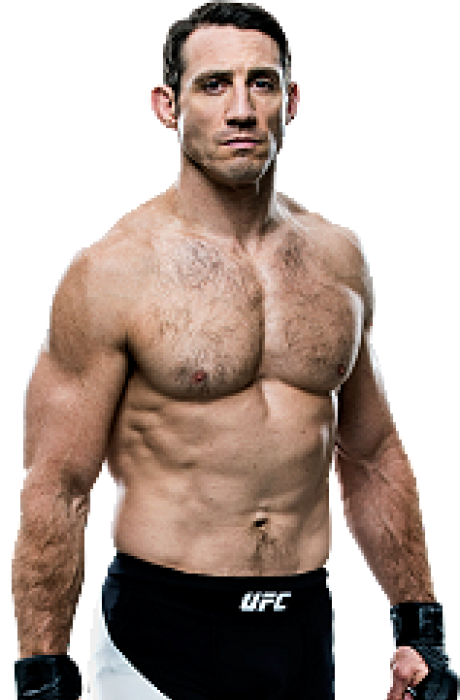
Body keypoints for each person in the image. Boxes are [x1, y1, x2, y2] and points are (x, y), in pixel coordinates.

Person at [12, 2, 458, 700]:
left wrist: (419, 630)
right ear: (167, 107)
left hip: (303, 631)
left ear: (291, 102)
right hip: (161, 641)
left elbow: (372, 455)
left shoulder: (337, 262)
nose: (242, 109)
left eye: (262, 83)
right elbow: (58, 488)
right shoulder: (112, 273)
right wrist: (43, 674)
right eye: (214, 84)